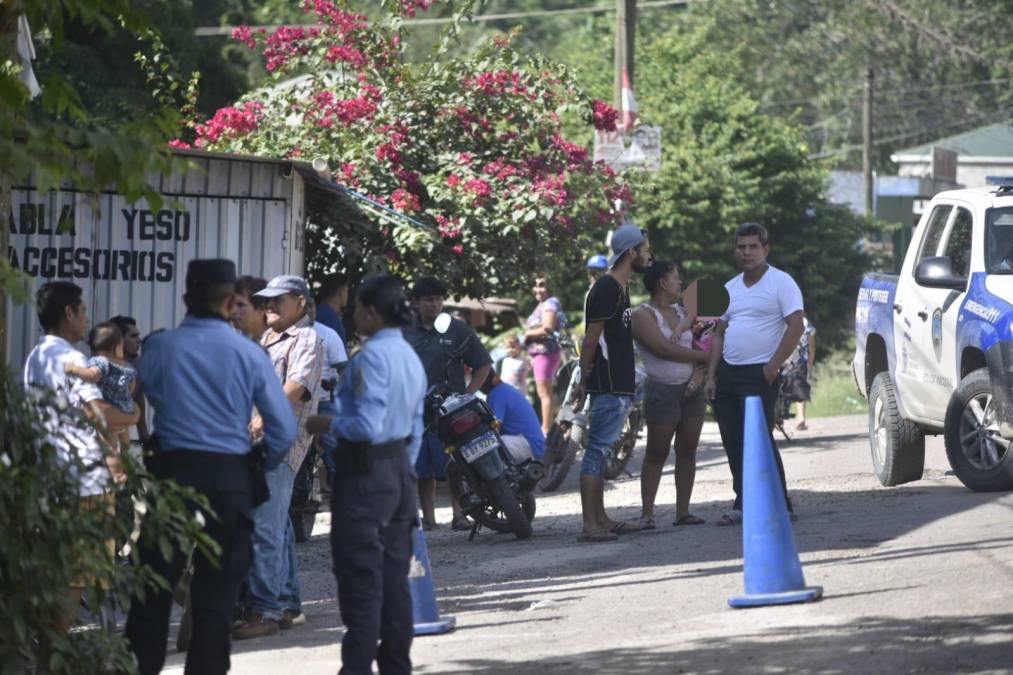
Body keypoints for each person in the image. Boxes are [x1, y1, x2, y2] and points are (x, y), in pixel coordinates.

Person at [124, 259, 297, 675]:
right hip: (228, 480)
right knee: (216, 604)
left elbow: (143, 397)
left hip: (172, 477)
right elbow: (284, 429)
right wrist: (255, 462)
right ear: (231, 302)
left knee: (152, 598)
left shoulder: (160, 347)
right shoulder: (249, 353)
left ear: (186, 297)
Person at [305, 275, 425, 675]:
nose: (352, 314)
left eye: (356, 307)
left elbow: (366, 425)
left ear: (371, 312)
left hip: (366, 473)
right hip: (398, 473)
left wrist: (322, 423)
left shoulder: (370, 358)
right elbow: (416, 426)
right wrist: (401, 469)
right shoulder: (408, 355)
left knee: (361, 581)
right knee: (394, 583)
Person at [22, 282, 138, 667]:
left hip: (52, 476)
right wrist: (135, 416)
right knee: (85, 574)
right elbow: (100, 414)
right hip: (84, 480)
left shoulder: (36, 356)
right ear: (69, 313)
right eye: (83, 310)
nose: (87, 318)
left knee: (62, 571)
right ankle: (73, 655)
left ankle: (48, 651)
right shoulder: (71, 359)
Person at [234, 275, 324, 639]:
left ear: (300, 303)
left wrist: (259, 416)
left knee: (265, 529)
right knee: (279, 527)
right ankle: (286, 604)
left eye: (278, 301)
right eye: (265, 302)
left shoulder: (307, 338)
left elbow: (296, 385)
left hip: (278, 445)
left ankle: (266, 612)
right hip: (252, 444)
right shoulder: (265, 339)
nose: (268, 307)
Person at [703, 222, 805, 526]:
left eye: (752, 247)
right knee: (733, 440)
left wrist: (774, 364)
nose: (746, 252)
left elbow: (796, 325)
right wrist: (710, 375)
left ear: (765, 249)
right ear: (735, 250)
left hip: (761, 372)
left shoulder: (781, 282)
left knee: (759, 438)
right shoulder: (730, 287)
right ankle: (743, 502)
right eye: (741, 247)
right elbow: (718, 334)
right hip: (727, 372)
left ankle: (780, 503)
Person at [572, 223, 652, 542]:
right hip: (606, 385)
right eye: (645, 250)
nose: (649, 255)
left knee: (602, 451)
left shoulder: (621, 287)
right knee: (595, 452)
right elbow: (591, 340)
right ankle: (590, 525)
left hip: (619, 385)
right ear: (630, 252)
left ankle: (602, 519)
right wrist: (582, 379)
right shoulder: (606, 288)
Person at [403, 276, 492, 531]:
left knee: (456, 464)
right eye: (428, 300)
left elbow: (483, 364)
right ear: (416, 303)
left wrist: (468, 395)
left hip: (451, 410)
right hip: (416, 410)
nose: (434, 305)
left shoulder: (457, 328)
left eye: (438, 299)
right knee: (422, 468)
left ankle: (460, 515)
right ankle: (428, 519)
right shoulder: (404, 331)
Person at [631, 261, 710, 529]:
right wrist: (705, 357)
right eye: (676, 278)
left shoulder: (683, 312)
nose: (680, 283)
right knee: (656, 452)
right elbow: (662, 349)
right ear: (662, 283)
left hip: (691, 390)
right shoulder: (641, 314)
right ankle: (647, 514)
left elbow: (707, 333)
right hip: (662, 391)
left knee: (687, 450)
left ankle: (683, 512)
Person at [65, 322, 138, 452]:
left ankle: (116, 469)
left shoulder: (100, 362)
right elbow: (132, 386)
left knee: (109, 446)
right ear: (117, 347)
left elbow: (92, 375)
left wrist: (74, 369)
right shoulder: (126, 365)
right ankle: (128, 462)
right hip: (125, 408)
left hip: (110, 410)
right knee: (125, 442)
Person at [523, 277, 566, 436]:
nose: (538, 289)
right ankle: (548, 429)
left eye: (542, 285)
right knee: (546, 393)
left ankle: (546, 431)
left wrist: (527, 333)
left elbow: (547, 328)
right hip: (541, 354)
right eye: (536, 285)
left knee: (544, 394)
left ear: (549, 287)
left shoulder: (550, 303)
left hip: (546, 353)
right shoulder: (544, 304)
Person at [480, 372, 545, 461]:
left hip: (530, 445)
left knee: (485, 447)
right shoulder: (504, 389)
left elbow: (494, 429)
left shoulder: (495, 394)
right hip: (534, 444)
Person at [108, 314, 149, 442]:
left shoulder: (137, 364)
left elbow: (138, 396)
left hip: (122, 430)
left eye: (138, 335)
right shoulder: (107, 366)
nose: (139, 340)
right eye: (133, 336)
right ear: (118, 339)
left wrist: (144, 438)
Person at [789, 314, 816, 431]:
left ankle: (775, 420)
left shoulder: (778, 319)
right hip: (800, 360)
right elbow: (811, 347)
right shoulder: (805, 322)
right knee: (800, 388)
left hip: (782, 359)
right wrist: (810, 361)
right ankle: (801, 416)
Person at [315, 272, 350, 345]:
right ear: (341, 292)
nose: (347, 295)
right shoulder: (330, 317)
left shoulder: (318, 311)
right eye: (347, 291)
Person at [231, 276, 269, 341]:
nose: (232, 311)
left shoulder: (280, 345)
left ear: (262, 308)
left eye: (240, 305)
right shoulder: (233, 340)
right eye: (230, 304)